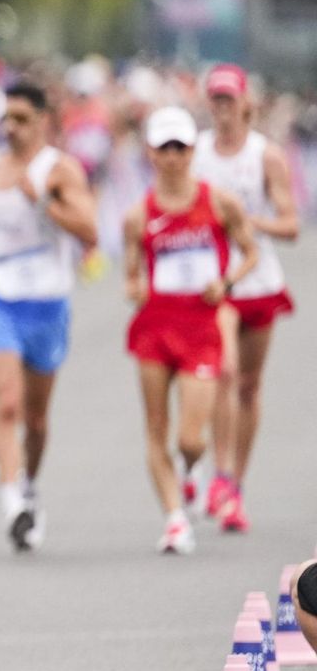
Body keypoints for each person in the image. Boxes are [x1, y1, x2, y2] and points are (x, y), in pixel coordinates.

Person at [0, 82, 98, 551]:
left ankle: (31, 487)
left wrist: (43, 200)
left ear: (43, 120)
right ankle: (13, 502)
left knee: (36, 420)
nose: (12, 127)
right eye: (6, 118)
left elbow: (91, 230)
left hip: (48, 303)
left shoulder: (58, 169)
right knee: (7, 404)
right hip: (0, 299)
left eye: (22, 118)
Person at [123, 107, 257, 556]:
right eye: (164, 148)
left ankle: (190, 467)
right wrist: (136, 286)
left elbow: (250, 252)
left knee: (190, 437)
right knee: (156, 429)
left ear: (192, 151)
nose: (173, 156)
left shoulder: (218, 202)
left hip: (201, 328)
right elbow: (130, 273)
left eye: (180, 147)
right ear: (151, 153)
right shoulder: (137, 216)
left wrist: (229, 282)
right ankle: (175, 520)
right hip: (155, 329)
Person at [190, 64, 300, 533]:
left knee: (250, 386)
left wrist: (246, 223)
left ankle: (235, 481)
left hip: (259, 279)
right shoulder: (193, 153)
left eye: (228, 99)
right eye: (215, 99)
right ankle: (217, 474)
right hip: (218, 282)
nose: (221, 108)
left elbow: (291, 224)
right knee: (224, 371)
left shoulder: (265, 156)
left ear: (245, 104)